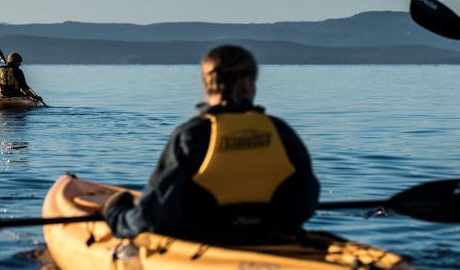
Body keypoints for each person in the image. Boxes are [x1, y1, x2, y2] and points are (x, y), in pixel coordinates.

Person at [103, 44, 320, 245]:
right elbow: (304, 205)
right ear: (247, 83)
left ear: (207, 84)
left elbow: (155, 217)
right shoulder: (280, 132)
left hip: (207, 241)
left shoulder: (192, 135)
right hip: (274, 238)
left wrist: (117, 216)